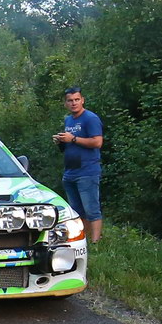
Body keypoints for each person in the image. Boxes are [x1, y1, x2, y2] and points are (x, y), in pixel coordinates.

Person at [53, 87, 104, 243]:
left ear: (83, 100)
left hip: (87, 171)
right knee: (76, 212)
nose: (74, 103)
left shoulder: (90, 118)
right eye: (70, 100)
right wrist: (61, 142)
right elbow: (69, 143)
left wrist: (73, 139)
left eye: (77, 99)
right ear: (65, 103)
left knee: (91, 210)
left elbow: (97, 142)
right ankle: (83, 241)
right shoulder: (68, 120)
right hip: (70, 171)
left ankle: (96, 243)